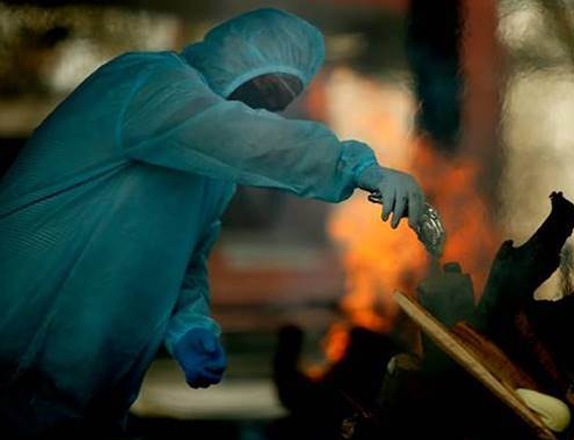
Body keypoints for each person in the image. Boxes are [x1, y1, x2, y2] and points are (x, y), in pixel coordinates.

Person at [0, 7, 425, 439]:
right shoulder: (147, 83)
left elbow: (183, 258)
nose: (268, 106)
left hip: (77, 392)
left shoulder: (210, 174)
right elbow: (242, 136)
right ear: (237, 56)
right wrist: (353, 166)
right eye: (267, 87)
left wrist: (191, 325)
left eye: (282, 99)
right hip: (15, 344)